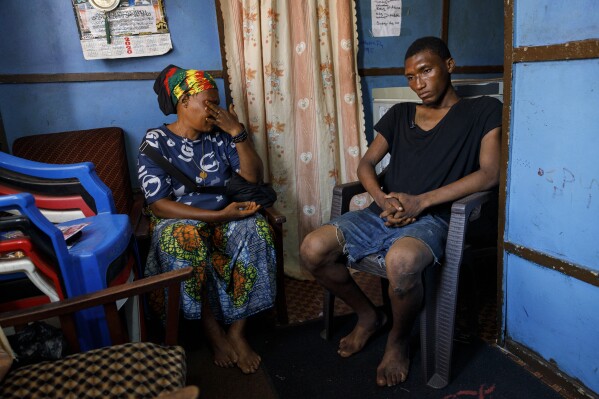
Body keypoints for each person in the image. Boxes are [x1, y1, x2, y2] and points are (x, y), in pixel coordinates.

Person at [300, 36, 502, 386]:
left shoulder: (482, 110)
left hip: (434, 219)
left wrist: (421, 202)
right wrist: (382, 198)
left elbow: (490, 173)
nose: (418, 84)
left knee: (402, 262)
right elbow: (366, 164)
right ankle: (367, 316)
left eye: (426, 71)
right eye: (410, 76)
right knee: (312, 249)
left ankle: (397, 339)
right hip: (384, 212)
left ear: (449, 66)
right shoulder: (400, 114)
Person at [137, 65, 276, 374]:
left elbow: (253, 178)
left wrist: (236, 132)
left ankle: (237, 333)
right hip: (181, 219)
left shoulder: (219, 138)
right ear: (183, 102)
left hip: (226, 215)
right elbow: (159, 205)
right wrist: (215, 216)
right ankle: (213, 333)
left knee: (256, 229)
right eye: (208, 103)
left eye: (217, 102)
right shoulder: (155, 141)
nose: (215, 110)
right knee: (182, 240)